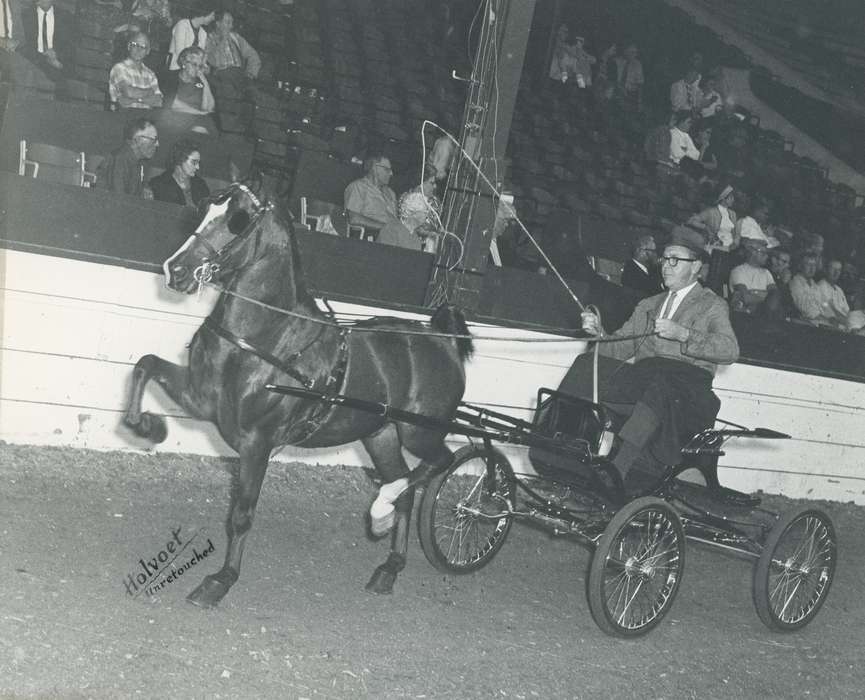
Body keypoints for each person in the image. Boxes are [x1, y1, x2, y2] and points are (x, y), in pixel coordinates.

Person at [562, 227, 739, 493]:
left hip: (687, 392)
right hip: (645, 380)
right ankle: (564, 456)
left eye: (675, 260)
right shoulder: (648, 305)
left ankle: (618, 471)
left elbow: (730, 350)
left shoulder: (712, 305)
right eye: (665, 259)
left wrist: (684, 334)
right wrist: (599, 333)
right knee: (587, 366)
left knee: (659, 381)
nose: (666, 266)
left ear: (696, 267)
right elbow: (620, 348)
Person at [344, 154, 416, 249]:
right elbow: (353, 219)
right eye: (387, 170)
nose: (391, 174)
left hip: (395, 238)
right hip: (373, 239)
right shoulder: (358, 187)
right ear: (375, 168)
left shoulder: (391, 193)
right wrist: (386, 228)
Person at [688, 184, 739, 296]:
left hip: (729, 249)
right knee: (715, 274)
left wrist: (734, 244)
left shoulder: (733, 214)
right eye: (731, 197)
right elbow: (692, 220)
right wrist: (706, 228)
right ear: (724, 198)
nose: (733, 200)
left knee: (726, 277)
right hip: (715, 247)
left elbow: (736, 235)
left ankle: (724, 297)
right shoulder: (711, 212)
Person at [96, 118, 159, 197]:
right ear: (137, 139)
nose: (157, 144)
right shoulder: (120, 159)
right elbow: (119, 199)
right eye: (154, 139)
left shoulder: (135, 161)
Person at [19, 0, 71, 92]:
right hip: (32, 66)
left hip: (58, 68)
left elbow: (70, 47)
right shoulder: (25, 15)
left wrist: (57, 58)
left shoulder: (66, 17)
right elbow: (22, 45)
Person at [161, 46, 216, 132]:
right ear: (184, 63)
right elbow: (172, 103)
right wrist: (199, 113)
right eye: (194, 64)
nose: (197, 69)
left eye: (200, 66)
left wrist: (205, 82)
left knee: (207, 126)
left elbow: (208, 108)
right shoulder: (171, 77)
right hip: (175, 119)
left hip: (197, 120)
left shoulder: (200, 82)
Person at [108, 31, 163, 111]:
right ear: (129, 46)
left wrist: (134, 100)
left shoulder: (151, 74)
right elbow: (129, 92)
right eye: (135, 45)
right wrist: (150, 92)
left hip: (145, 118)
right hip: (122, 116)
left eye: (143, 47)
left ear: (148, 51)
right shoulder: (119, 68)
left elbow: (159, 101)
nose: (138, 50)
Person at [148, 138, 210, 207]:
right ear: (180, 159)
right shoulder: (158, 184)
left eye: (198, 163)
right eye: (194, 162)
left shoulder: (201, 185)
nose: (197, 167)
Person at [397, 165, 441, 253]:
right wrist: (436, 234)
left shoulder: (431, 199)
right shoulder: (411, 200)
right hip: (413, 247)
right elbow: (414, 228)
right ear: (420, 183)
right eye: (431, 183)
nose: (435, 186)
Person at [789, 252, 838, 327]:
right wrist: (824, 319)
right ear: (800, 266)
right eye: (808, 264)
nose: (812, 268)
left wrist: (831, 316)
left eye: (814, 265)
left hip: (821, 321)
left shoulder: (814, 285)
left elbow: (824, 303)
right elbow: (804, 308)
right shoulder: (795, 282)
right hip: (807, 322)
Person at [729, 238, 776, 314]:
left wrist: (754, 292)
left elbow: (775, 296)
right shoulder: (738, 271)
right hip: (745, 315)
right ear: (753, 252)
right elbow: (746, 298)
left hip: (763, 314)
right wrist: (766, 295)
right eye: (763, 253)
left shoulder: (766, 272)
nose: (767, 257)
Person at [167, 1, 214, 71]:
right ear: (205, 13)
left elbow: (201, 55)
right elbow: (180, 53)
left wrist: (204, 66)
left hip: (194, 69)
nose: (213, 19)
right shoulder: (182, 25)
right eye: (212, 15)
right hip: (176, 67)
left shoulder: (203, 33)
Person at [817, 258, 852, 328]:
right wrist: (850, 323)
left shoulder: (839, 290)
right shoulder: (821, 286)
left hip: (845, 325)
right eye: (833, 268)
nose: (836, 272)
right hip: (830, 326)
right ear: (825, 270)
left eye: (839, 270)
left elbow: (847, 312)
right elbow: (831, 311)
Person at [614, 44, 643, 111]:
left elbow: (640, 84)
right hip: (618, 93)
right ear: (625, 51)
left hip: (631, 94)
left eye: (635, 52)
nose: (634, 55)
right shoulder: (617, 61)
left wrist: (639, 101)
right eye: (631, 52)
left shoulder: (637, 64)